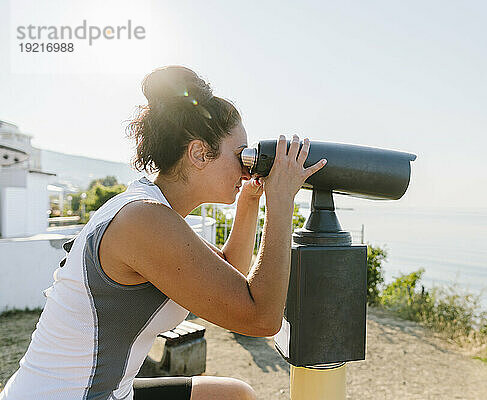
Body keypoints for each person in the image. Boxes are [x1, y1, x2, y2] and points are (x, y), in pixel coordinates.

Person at [0, 65, 327, 400]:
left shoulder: (151, 209)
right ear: (200, 153)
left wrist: (249, 204)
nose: (248, 169)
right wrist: (282, 201)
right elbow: (261, 318)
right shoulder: (143, 220)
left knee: (233, 395)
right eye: (240, 155)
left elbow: (230, 270)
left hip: (104, 390)